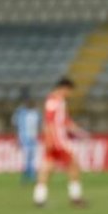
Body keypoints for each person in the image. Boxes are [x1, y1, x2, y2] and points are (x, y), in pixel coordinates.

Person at [33, 78, 88, 207]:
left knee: (47, 168)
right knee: (73, 164)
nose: (70, 94)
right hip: (58, 141)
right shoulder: (54, 101)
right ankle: (75, 197)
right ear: (64, 88)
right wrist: (49, 140)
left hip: (56, 139)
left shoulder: (59, 101)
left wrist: (79, 131)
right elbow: (49, 122)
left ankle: (39, 198)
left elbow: (65, 121)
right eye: (69, 91)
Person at [11, 96, 41, 183]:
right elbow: (16, 125)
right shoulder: (21, 113)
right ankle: (28, 175)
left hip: (33, 138)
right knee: (27, 157)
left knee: (32, 157)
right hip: (24, 138)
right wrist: (17, 138)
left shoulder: (36, 113)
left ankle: (29, 175)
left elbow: (39, 124)